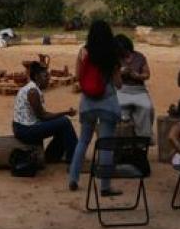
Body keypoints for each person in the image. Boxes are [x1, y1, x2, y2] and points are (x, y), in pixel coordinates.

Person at [67, 20, 123, 196]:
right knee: (105, 145)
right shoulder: (112, 55)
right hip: (107, 103)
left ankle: (73, 178)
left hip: (88, 103)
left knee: (83, 141)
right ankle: (105, 186)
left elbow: (77, 76)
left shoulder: (83, 52)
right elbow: (118, 83)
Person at [11, 60, 77, 162]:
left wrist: (62, 114)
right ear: (37, 77)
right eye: (45, 76)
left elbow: (42, 115)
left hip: (24, 127)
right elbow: (43, 116)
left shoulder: (32, 88)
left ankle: (52, 156)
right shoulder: (32, 91)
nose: (48, 79)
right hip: (25, 130)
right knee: (65, 122)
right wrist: (65, 113)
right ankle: (74, 159)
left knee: (61, 124)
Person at [114, 34, 154, 141]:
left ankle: (144, 138)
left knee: (147, 108)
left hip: (138, 90)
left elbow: (147, 74)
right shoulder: (115, 58)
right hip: (122, 89)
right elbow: (110, 75)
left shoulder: (140, 57)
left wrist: (137, 76)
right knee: (118, 110)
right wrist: (120, 72)